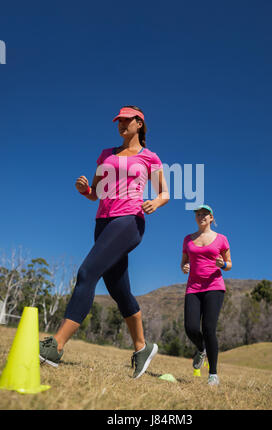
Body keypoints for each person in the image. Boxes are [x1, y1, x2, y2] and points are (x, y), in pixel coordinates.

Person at [40, 105, 169, 379]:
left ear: (139, 123)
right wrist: (85, 189)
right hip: (103, 223)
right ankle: (142, 347)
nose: (121, 125)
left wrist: (155, 202)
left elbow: (164, 193)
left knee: (87, 273)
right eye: (118, 121)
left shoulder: (149, 157)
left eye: (126, 120)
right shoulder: (106, 154)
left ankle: (56, 346)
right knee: (119, 291)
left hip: (130, 221)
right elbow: (95, 193)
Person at [181, 204, 232, 386]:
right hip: (193, 287)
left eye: (205, 214)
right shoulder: (188, 239)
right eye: (198, 214)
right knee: (191, 327)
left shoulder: (221, 239)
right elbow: (184, 263)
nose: (201, 216)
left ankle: (213, 374)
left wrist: (222, 264)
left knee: (209, 328)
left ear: (211, 218)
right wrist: (184, 267)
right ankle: (201, 348)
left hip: (214, 286)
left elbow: (229, 264)